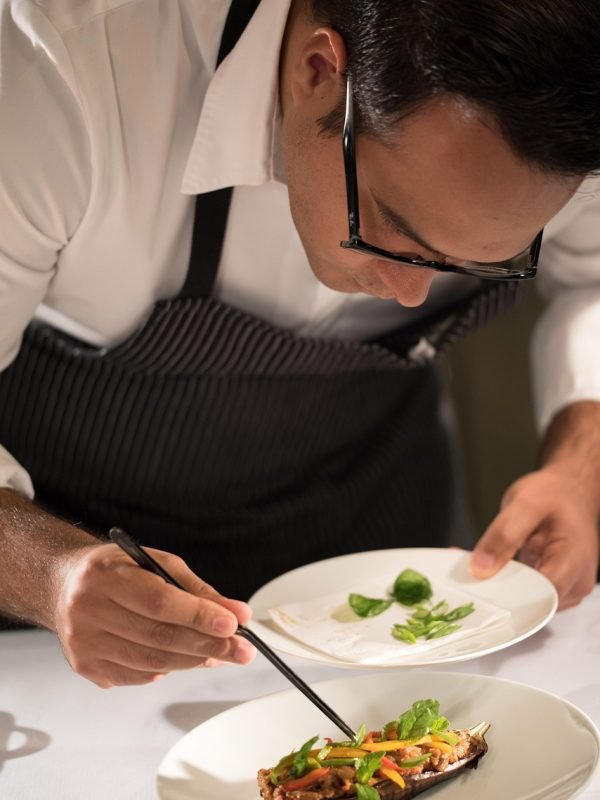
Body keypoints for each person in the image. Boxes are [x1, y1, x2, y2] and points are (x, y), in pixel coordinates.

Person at [0, 0, 598, 687]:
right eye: (394, 229)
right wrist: (48, 571)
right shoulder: (65, 64)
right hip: (72, 595)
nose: (410, 295)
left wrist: (579, 468)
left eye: (481, 260)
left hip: (378, 515)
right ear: (319, 71)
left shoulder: (575, 90)